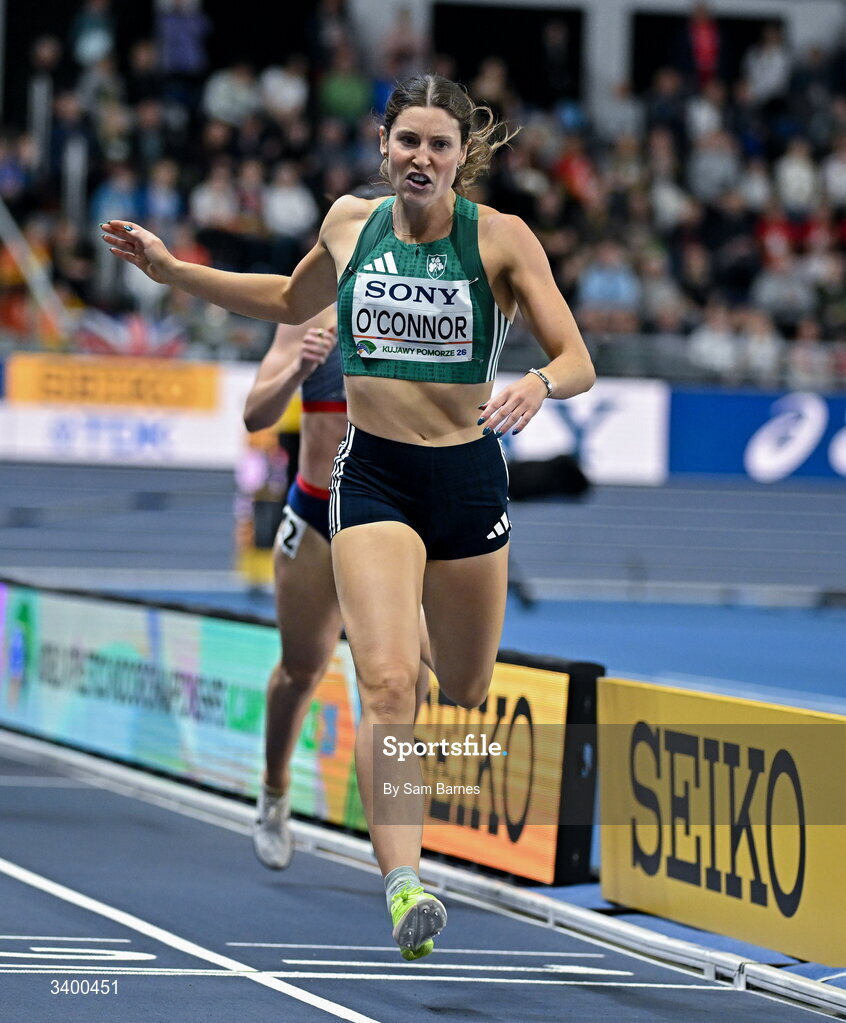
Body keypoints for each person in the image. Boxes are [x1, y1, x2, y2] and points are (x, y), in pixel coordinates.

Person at [100, 71, 596, 960]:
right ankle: (405, 882)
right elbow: (289, 302)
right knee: (390, 683)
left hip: (469, 481)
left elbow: (576, 356)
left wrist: (536, 381)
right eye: (408, 140)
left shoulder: (504, 242)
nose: (421, 156)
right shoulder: (347, 223)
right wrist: (173, 270)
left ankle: (417, 637)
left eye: (439, 144)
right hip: (372, 479)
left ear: (460, 159)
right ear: (384, 147)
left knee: (467, 686)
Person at [244, 306, 431, 872]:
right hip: (317, 517)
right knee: (302, 669)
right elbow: (256, 415)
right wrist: (297, 370)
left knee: (412, 672)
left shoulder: (424, 308)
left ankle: (390, 824)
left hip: (388, 524)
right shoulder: (309, 315)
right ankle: (275, 791)